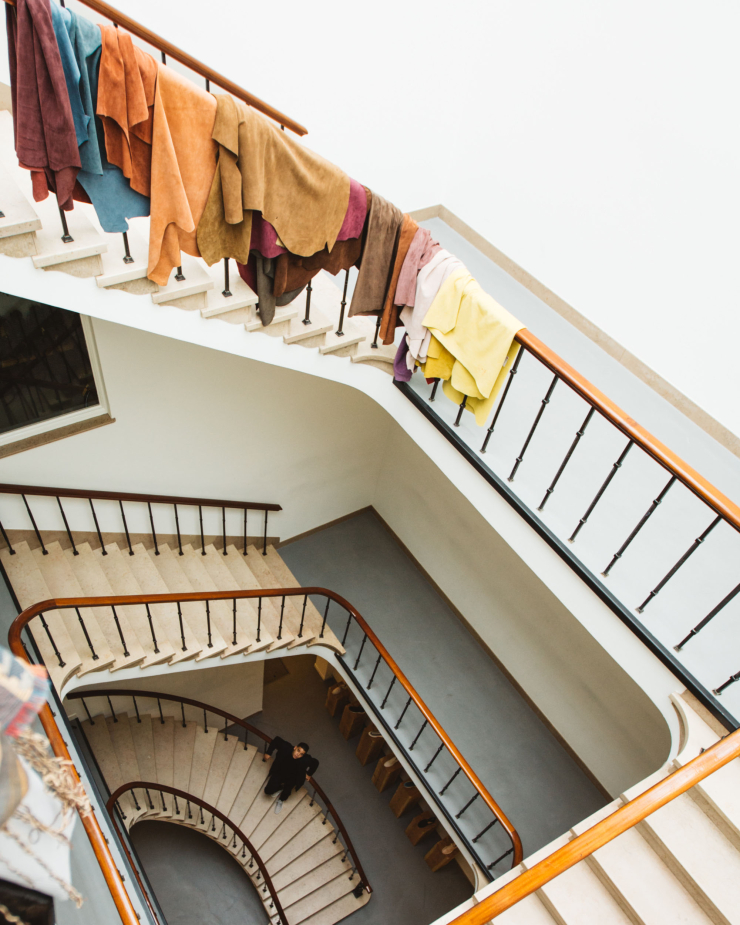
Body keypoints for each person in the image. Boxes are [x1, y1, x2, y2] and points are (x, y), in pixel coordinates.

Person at [262, 736, 319, 814]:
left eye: (301, 754)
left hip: (292, 777)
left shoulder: (305, 759)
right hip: (279, 772)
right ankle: (280, 787)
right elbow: (277, 740)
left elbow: (315, 763)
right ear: (295, 747)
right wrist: (268, 752)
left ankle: (281, 800)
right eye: (298, 750)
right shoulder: (286, 748)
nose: (298, 754)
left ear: (303, 755)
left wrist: (309, 774)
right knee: (268, 791)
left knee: (286, 793)